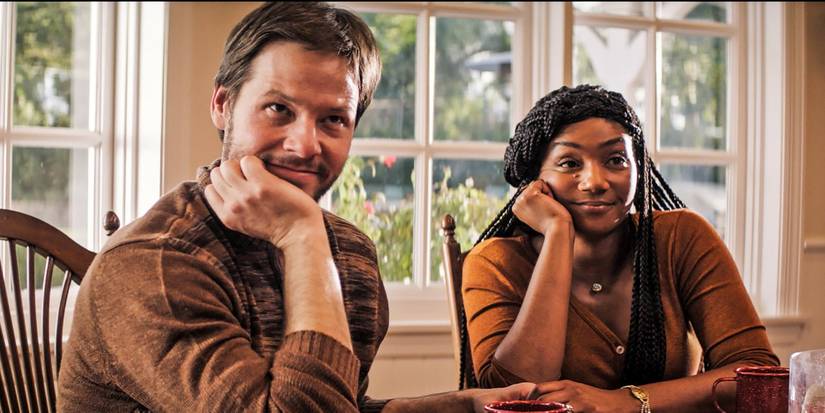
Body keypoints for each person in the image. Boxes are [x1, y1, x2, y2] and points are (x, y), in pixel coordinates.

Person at [56, 2, 535, 412]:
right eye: (279, 109)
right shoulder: (153, 263)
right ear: (223, 105)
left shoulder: (349, 253)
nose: (305, 146)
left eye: (333, 119)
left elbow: (326, 402)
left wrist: (456, 407)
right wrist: (304, 236)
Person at [461, 84, 780, 412]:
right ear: (534, 181)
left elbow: (759, 375)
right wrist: (558, 234)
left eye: (615, 160)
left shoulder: (681, 239)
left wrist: (622, 402)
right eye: (570, 163)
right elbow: (512, 400)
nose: (596, 182)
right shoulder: (495, 262)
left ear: (639, 169)